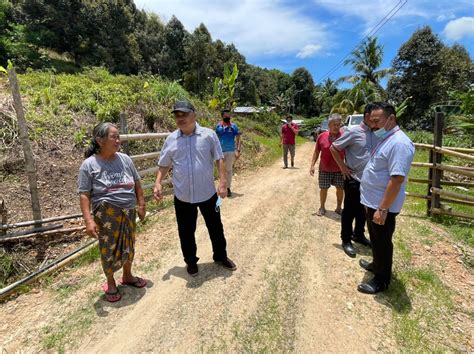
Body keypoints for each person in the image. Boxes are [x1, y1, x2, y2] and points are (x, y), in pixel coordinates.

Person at [153, 100, 236, 277]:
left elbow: (219, 158)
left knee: (215, 227)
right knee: (186, 231)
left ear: (194, 115)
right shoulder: (171, 139)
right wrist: (158, 182)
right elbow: (164, 164)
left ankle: (220, 257)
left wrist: (222, 183)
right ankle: (191, 262)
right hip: (183, 196)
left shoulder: (208, 135)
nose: (180, 118)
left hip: (208, 194)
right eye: (177, 115)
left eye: (184, 114)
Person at [78, 122, 147, 303]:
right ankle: (110, 282)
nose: (118, 140)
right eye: (113, 137)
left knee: (128, 244)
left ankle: (128, 276)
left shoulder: (125, 159)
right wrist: (88, 221)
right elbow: (84, 195)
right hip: (106, 214)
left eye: (119, 137)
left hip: (128, 210)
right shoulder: (89, 165)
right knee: (108, 248)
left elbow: (137, 184)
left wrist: (141, 204)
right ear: (100, 140)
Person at [358, 102, 415, 294]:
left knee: (382, 241)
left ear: (391, 118)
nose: (373, 125)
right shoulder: (387, 138)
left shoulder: (400, 143)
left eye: (377, 121)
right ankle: (377, 264)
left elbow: (397, 179)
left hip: (382, 205)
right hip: (373, 201)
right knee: (375, 238)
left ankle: (381, 280)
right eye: (371, 121)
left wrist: (382, 208)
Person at [330, 104, 377, 258]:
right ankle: (346, 239)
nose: (376, 121)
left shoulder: (376, 132)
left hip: (369, 181)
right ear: (366, 116)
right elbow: (334, 148)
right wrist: (343, 168)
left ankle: (359, 234)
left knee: (363, 210)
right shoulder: (353, 131)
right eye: (374, 118)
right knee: (349, 211)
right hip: (354, 178)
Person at [309, 113, 345, 216]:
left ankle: (338, 208)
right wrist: (312, 165)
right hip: (325, 168)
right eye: (334, 124)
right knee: (323, 188)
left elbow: (348, 152)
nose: (336, 127)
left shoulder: (344, 136)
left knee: (340, 188)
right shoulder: (322, 136)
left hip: (339, 169)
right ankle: (322, 207)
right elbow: (316, 152)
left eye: (338, 124)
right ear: (329, 125)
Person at [215, 109, 241, 197]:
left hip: (230, 151)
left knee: (228, 170)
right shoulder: (218, 127)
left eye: (229, 116)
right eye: (226, 116)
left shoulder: (234, 126)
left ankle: (228, 188)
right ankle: (221, 187)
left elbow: (238, 138)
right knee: (221, 170)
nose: (227, 118)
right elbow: (216, 138)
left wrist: (237, 150)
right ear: (222, 116)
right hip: (220, 151)